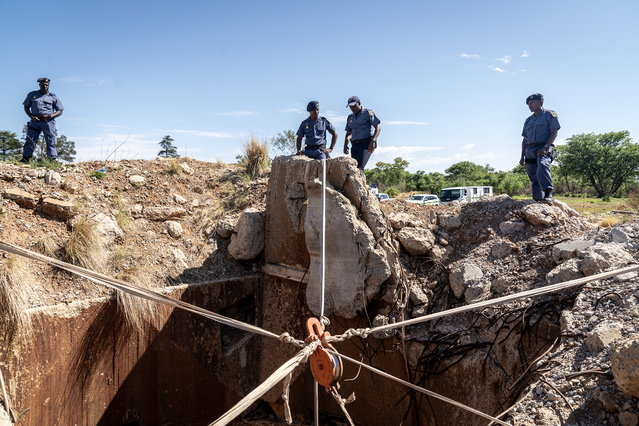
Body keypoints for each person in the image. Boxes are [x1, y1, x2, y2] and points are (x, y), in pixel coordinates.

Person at [519, 93, 560, 204]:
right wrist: (522, 156)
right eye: (528, 104)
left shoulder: (549, 114)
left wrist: (545, 147)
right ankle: (537, 199)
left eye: (532, 103)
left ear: (541, 102)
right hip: (530, 150)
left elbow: (554, 132)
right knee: (533, 175)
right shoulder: (528, 120)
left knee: (542, 164)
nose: (530, 106)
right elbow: (525, 139)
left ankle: (548, 193)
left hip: (544, 147)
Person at [21, 77, 64, 162]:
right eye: (42, 84)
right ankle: (26, 159)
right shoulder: (32, 94)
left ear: (48, 85)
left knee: (50, 140)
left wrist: (51, 116)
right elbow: (26, 106)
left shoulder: (53, 97)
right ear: (39, 85)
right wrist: (31, 116)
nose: (44, 86)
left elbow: (60, 110)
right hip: (35, 121)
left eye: (46, 85)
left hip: (48, 122)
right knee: (30, 140)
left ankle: (52, 160)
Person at [343, 96, 381, 170]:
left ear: (359, 103)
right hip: (354, 145)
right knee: (353, 167)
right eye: (350, 106)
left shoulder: (368, 113)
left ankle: (360, 181)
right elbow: (348, 132)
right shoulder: (350, 117)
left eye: (354, 105)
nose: (352, 108)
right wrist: (345, 145)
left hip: (366, 143)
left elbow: (378, 127)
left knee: (359, 167)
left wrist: (373, 141)